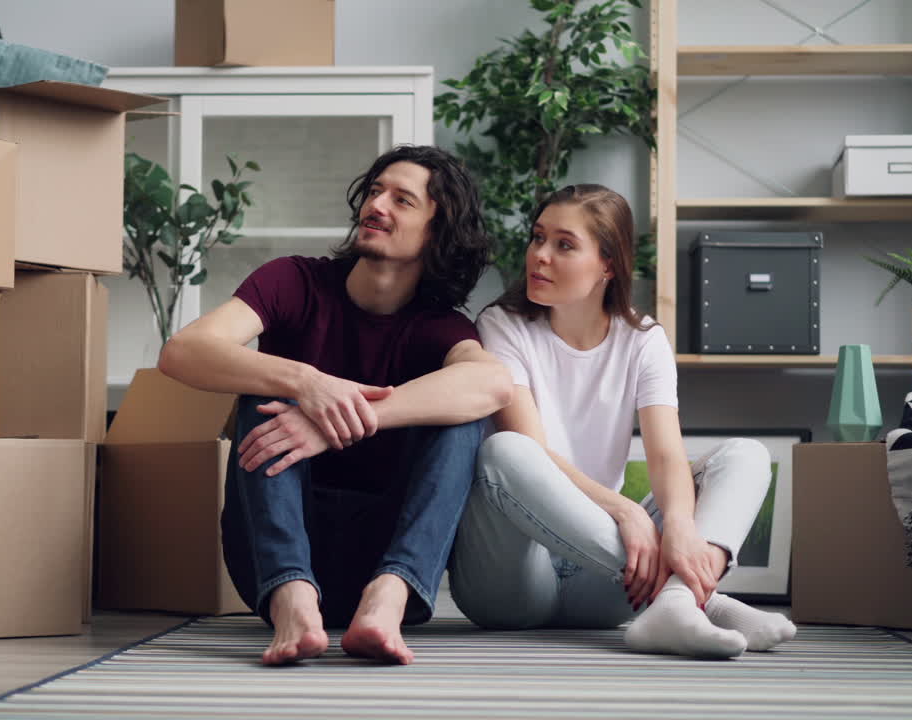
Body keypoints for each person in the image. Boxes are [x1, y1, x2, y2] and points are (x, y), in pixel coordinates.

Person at [158, 145, 512, 666]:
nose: (378, 205)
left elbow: (493, 384)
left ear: (438, 233)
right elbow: (182, 352)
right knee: (265, 386)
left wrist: (340, 421)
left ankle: (386, 604)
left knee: (460, 415)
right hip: (274, 559)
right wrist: (307, 383)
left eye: (402, 199)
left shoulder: (440, 327)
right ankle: (295, 605)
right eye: (374, 191)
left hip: (386, 562)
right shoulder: (293, 282)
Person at [448, 184, 796, 659]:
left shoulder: (643, 339)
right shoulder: (501, 325)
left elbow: (668, 455)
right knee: (505, 451)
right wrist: (626, 510)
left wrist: (676, 523)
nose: (540, 255)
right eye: (537, 237)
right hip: (510, 584)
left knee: (746, 455)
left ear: (608, 265)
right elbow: (531, 448)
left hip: (609, 586)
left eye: (564, 244)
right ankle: (703, 602)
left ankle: (674, 602)